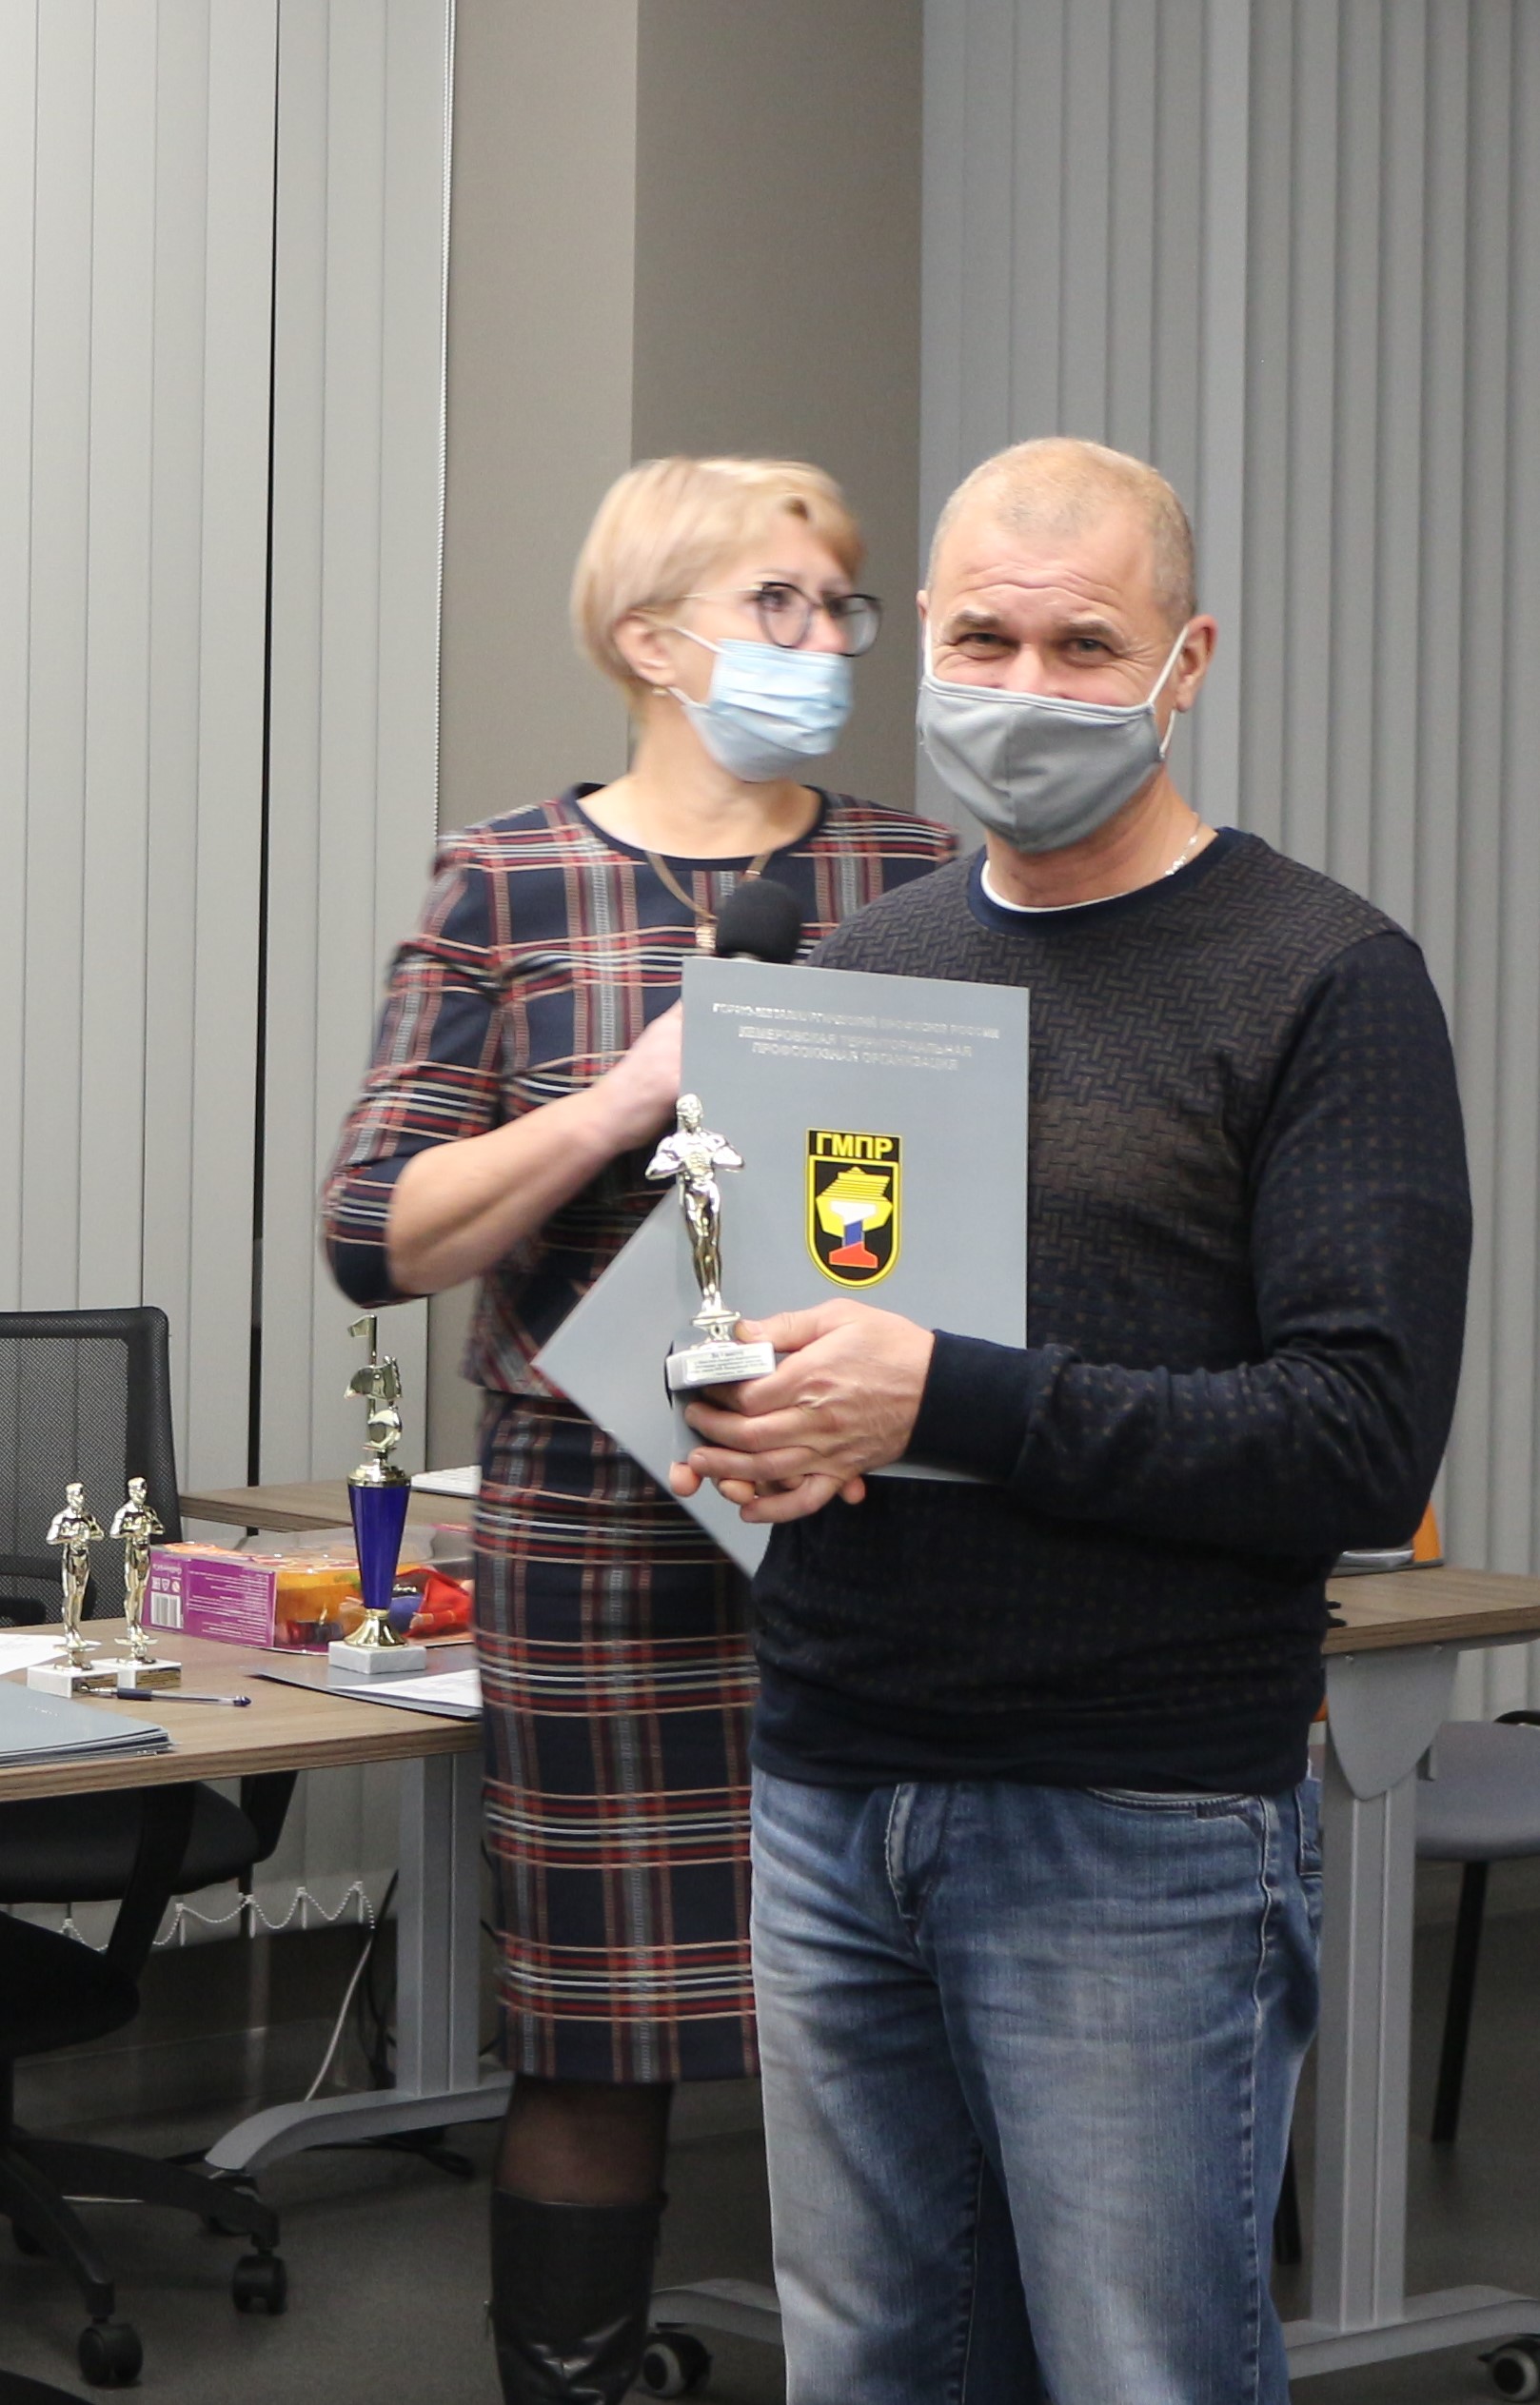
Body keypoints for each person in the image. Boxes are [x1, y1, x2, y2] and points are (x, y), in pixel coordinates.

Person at [672, 437, 1473, 2405]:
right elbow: (814, 1339)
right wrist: (765, 1422)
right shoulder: (867, 966)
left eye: (1082, 644)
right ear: (921, 649)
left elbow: (1357, 1441)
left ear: (1183, 663)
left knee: (1140, 2371)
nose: (1021, 687)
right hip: (834, 1778)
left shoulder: (1322, 979)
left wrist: (945, 1390)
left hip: (1132, 1816)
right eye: (979, 638)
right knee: (871, 2365)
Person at [321, 455, 953, 2405]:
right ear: (648, 638)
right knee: (598, 2030)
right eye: (779, 605)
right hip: (600, 1531)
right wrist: (617, 1102)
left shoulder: (921, 872)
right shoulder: (507, 878)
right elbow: (377, 1233)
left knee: (918, 2008)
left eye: (839, 607)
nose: (824, 642)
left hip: (876, 1512)